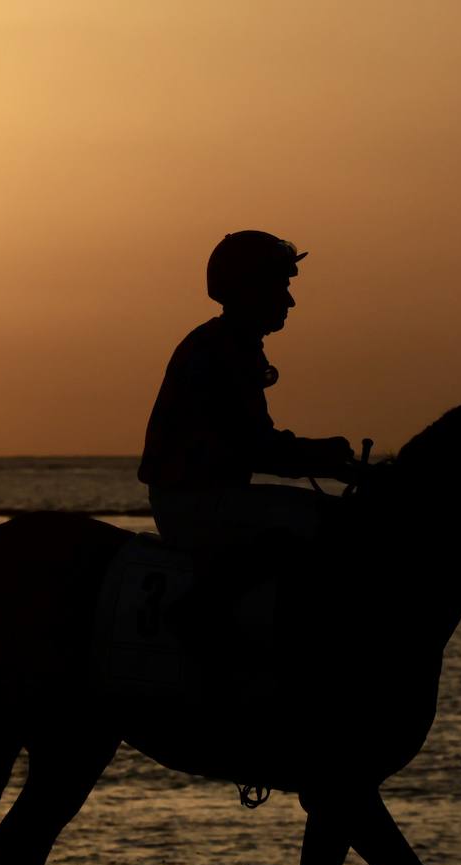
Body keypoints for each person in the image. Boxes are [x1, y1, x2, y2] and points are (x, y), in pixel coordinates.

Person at [138, 230, 354, 628]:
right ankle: (201, 615)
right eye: (280, 287)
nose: (289, 300)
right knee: (325, 524)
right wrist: (324, 457)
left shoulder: (230, 344)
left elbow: (252, 442)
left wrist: (323, 459)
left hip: (205, 496)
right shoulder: (221, 349)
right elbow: (255, 447)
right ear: (250, 288)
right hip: (194, 503)